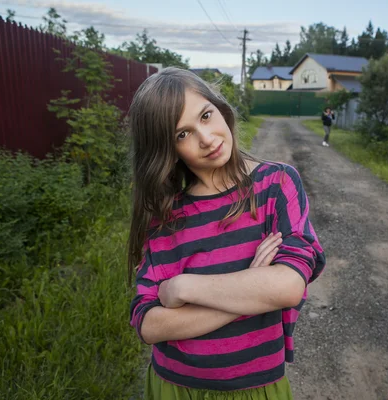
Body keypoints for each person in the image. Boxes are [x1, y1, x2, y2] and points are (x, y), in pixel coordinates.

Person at [127, 67, 326, 400]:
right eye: (182, 134)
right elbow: (149, 324)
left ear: (220, 108)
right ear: (167, 149)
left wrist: (183, 286)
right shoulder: (166, 217)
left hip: (256, 387)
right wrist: (253, 288)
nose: (206, 138)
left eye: (206, 115)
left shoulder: (276, 185)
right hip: (173, 388)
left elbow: (289, 286)